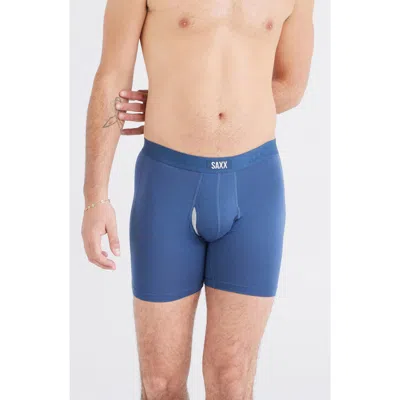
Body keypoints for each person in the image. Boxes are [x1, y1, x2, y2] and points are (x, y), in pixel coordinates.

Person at [82, 0, 314, 398]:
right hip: (167, 185)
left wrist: (194, 105)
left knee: (231, 377)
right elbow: (111, 77)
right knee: (160, 383)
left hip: (253, 185)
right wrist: (95, 197)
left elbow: (291, 84)